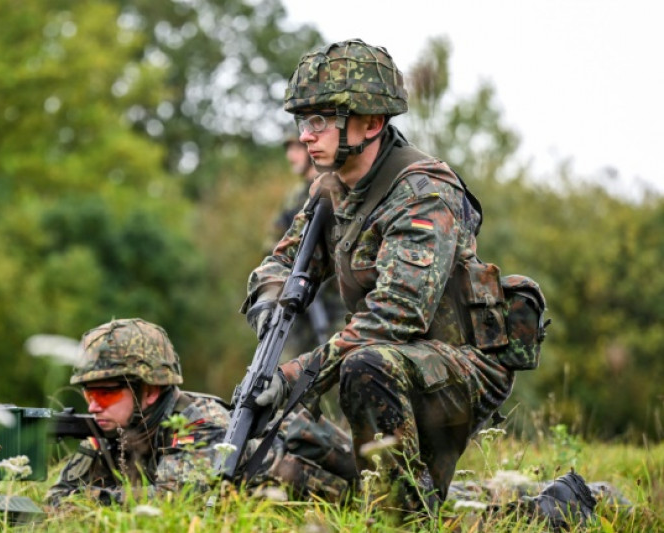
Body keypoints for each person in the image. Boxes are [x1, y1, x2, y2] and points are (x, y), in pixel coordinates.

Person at [242, 39, 516, 515]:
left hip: (460, 366)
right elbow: (282, 261)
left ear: (371, 122)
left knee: (364, 364)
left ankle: (398, 519)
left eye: (320, 120)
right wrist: (268, 303)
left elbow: (395, 316)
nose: (306, 136)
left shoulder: (424, 193)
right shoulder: (333, 189)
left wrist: (296, 375)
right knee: (298, 432)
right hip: (395, 362)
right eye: (302, 121)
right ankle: (531, 506)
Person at [45, 318, 230, 506]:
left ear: (149, 391)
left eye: (105, 395)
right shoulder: (112, 427)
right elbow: (56, 498)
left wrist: (90, 500)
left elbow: (175, 501)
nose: (93, 407)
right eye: (89, 395)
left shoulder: (203, 424)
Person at [269, 136, 347, 358]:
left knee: (334, 361)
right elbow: (273, 242)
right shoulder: (295, 197)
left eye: (295, 149)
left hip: (336, 302)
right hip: (298, 301)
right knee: (289, 366)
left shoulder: (339, 186)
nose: (290, 156)